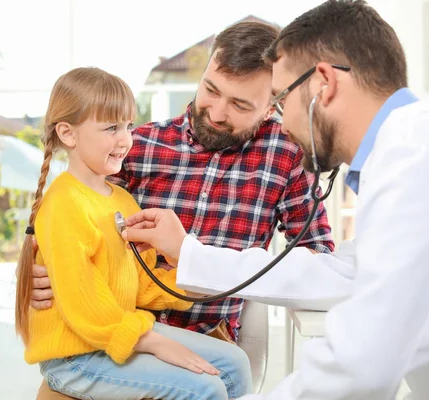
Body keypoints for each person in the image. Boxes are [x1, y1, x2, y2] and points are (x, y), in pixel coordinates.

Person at [120, 1, 429, 399]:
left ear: (323, 84)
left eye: (282, 98)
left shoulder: (417, 159)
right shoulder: (418, 148)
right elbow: (338, 275)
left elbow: (363, 362)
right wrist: (192, 255)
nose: (282, 121)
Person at [28, 21, 335, 345]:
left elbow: (318, 260)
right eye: (211, 90)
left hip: (209, 339)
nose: (217, 112)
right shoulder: (136, 146)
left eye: (240, 105)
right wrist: (38, 273)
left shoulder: (287, 155)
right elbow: (65, 227)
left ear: (273, 105)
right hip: (118, 336)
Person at [15, 66, 252, 400]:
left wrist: (198, 284)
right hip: (76, 357)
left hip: (116, 333)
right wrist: (156, 343)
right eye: (111, 128)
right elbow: (86, 308)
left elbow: (142, 284)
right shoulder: (64, 204)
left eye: (128, 125)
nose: (125, 139)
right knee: (205, 387)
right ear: (68, 134)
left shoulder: (123, 200)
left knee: (235, 363)